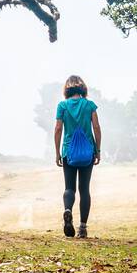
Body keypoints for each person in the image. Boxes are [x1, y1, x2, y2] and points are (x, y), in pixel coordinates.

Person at [54, 75, 101, 238]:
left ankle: (67, 210)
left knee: (69, 188)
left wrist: (57, 153)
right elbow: (96, 127)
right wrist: (98, 150)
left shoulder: (62, 106)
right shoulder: (89, 105)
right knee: (84, 189)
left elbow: (58, 129)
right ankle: (82, 228)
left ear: (67, 90)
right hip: (87, 152)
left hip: (69, 152)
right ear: (83, 89)